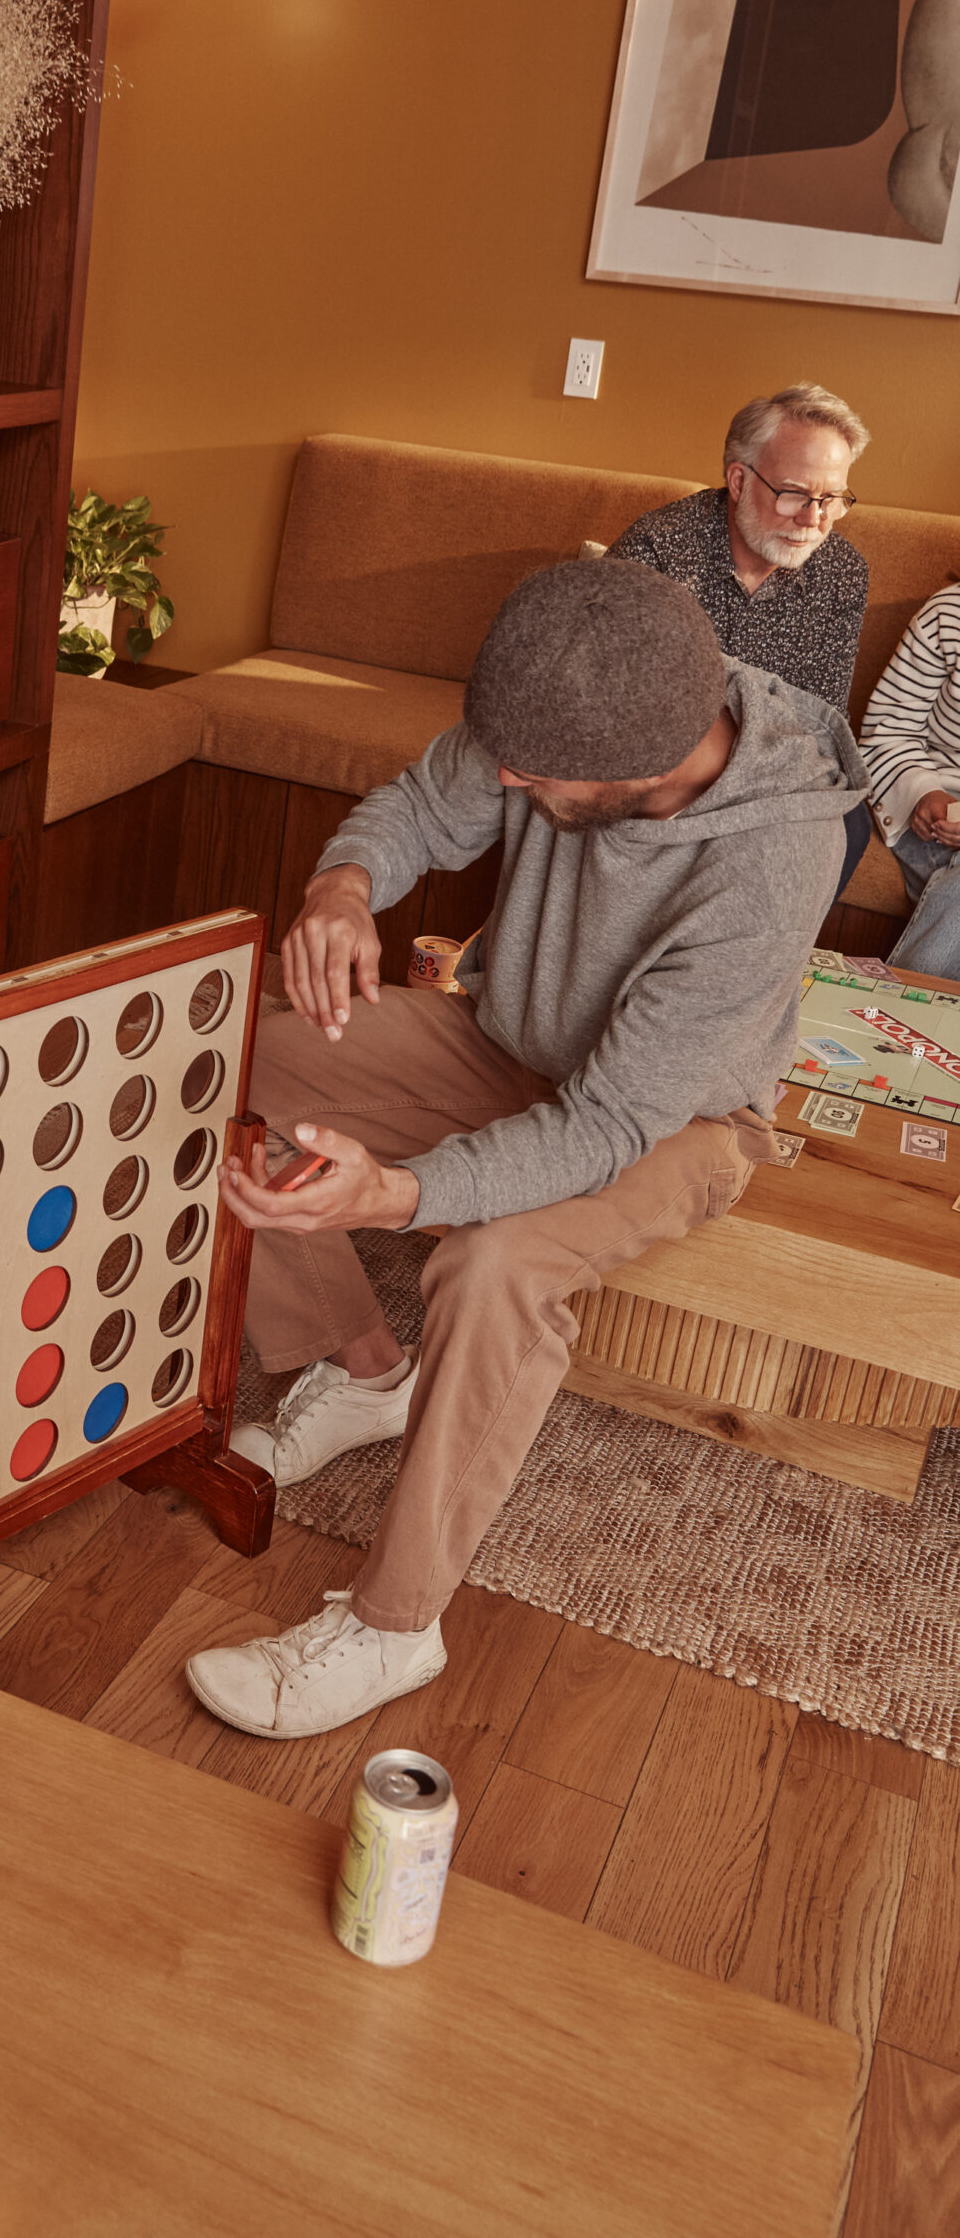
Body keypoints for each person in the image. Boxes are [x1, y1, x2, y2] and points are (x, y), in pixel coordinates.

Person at [184, 558, 865, 1741]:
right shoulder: (570, 706)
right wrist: (341, 888)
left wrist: (400, 1193)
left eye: (531, 777)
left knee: (490, 1262)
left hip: (675, 1118)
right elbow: (416, 805)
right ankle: (362, 1369)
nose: (500, 778)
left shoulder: (768, 860)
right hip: (506, 1037)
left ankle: (395, 1627)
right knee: (236, 1066)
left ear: (642, 772)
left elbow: (602, 1125)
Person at [609, 382, 872, 891]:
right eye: (795, 493)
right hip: (669, 760)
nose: (814, 521)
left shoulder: (843, 571)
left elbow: (820, 721)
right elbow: (625, 706)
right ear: (737, 479)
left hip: (773, 769)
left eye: (833, 498)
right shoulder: (659, 550)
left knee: (847, 822)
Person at [859, 579, 960, 977]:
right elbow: (889, 728)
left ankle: (885, 1023)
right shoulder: (949, 613)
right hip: (937, 798)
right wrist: (922, 791)